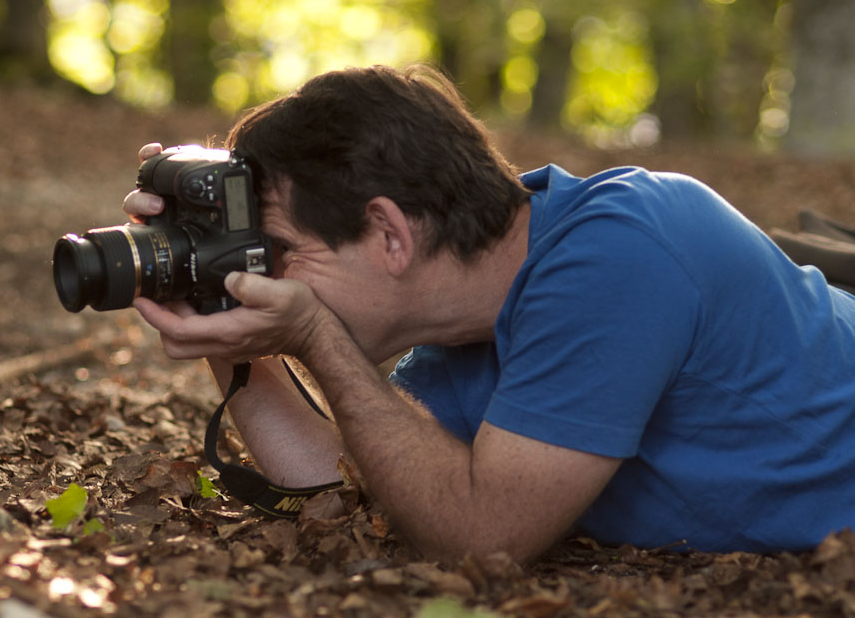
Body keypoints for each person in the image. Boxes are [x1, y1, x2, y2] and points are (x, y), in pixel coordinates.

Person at [122, 64, 855, 563]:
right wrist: (217, 316)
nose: (269, 278)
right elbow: (348, 488)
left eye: (279, 252)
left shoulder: (620, 252)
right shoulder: (455, 342)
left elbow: (484, 535)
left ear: (389, 234)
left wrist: (313, 335)